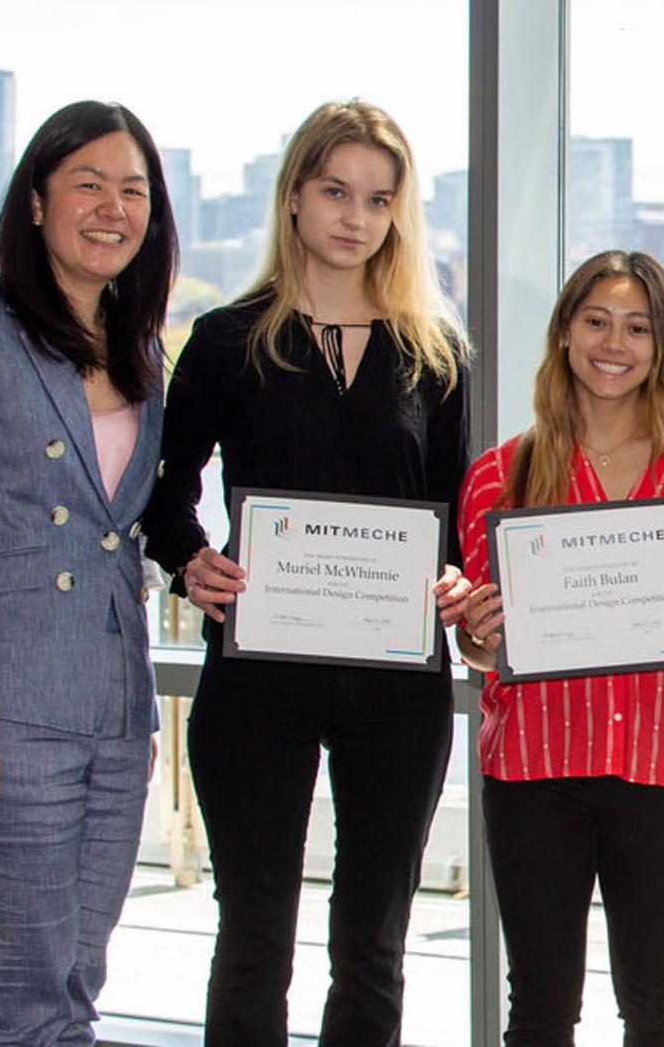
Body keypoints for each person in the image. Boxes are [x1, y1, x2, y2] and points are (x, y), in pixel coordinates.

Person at [140, 99, 471, 1044]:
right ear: (293, 196)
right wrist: (186, 561)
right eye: (335, 191)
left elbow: (459, 515)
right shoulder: (225, 340)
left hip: (395, 689)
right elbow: (165, 490)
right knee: (253, 938)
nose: (354, 217)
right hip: (257, 679)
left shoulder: (435, 353)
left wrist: (454, 582)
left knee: (372, 945)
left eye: (378, 199)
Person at [451, 249, 664, 1046]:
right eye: (596, 321)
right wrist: (476, 632)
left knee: (658, 1007)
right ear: (565, 332)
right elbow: (480, 647)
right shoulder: (501, 475)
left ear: (661, 345)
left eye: (637, 327)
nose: (614, 343)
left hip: (662, 773)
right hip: (534, 772)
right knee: (537, 1011)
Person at [0, 100, 177, 1045]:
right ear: (36, 202)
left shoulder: (143, 348)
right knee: (30, 992)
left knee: (80, 978)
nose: (112, 207)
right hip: (6, 704)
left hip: (119, 714)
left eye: (134, 190)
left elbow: (136, 531)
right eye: (88, 183)